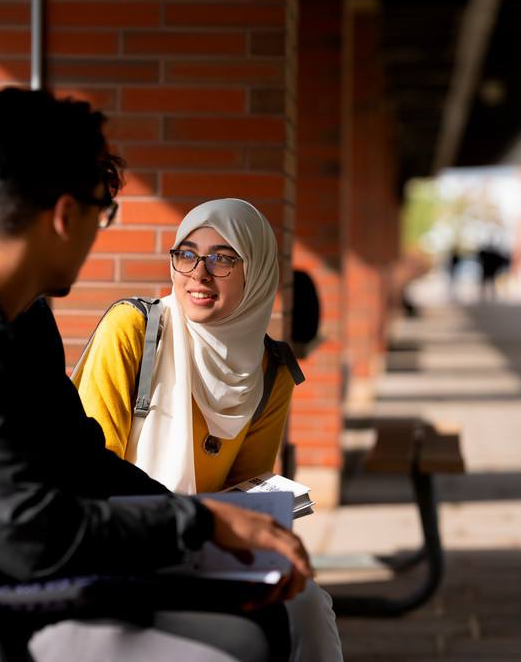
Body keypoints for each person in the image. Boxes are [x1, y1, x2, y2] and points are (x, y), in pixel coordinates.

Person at [0, 88, 312, 662]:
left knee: (262, 619)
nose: (103, 228)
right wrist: (199, 524)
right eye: (104, 209)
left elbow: (83, 464)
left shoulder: (19, 321)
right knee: (233, 646)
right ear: (66, 215)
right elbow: (31, 532)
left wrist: (220, 520)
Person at [73, 198, 343, 661]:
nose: (197, 273)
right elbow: (88, 473)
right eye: (186, 254)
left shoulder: (271, 372)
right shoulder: (133, 330)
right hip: (124, 542)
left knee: (309, 604)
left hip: (210, 546)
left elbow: (247, 489)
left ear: (255, 273)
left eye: (222, 258)